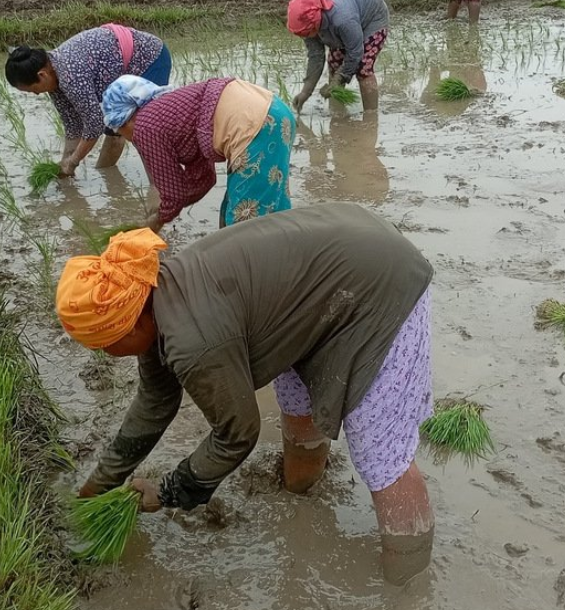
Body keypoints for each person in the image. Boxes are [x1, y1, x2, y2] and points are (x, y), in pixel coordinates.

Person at [59, 203, 436, 585]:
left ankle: (406, 585)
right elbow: (154, 403)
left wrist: (169, 492)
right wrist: (98, 486)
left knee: (380, 453)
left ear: (129, 323)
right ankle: (301, 499)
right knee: (297, 404)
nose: (106, 353)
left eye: (106, 344)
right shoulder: (153, 297)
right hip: (332, 268)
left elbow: (236, 434)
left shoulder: (192, 342)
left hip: (379, 283)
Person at [101, 75, 296, 231]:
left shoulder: (145, 126)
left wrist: (152, 223)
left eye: (119, 131)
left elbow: (173, 196)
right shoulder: (170, 112)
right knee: (261, 206)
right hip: (274, 111)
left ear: (126, 119)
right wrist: (165, 210)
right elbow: (205, 179)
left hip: (254, 126)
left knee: (244, 227)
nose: (126, 139)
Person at [4, 25, 173, 175]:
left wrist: (73, 162)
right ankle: (107, 174)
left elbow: (94, 124)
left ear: (42, 75)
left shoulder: (70, 76)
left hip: (149, 58)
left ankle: (157, 187)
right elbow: (73, 125)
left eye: (33, 90)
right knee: (115, 127)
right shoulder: (53, 75)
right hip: (122, 59)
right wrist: (64, 164)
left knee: (141, 129)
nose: (36, 94)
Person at [287, 0, 390, 114]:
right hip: (344, 25)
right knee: (335, 65)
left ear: (315, 23)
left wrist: (339, 78)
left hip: (372, 18)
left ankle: (371, 115)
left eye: (307, 33)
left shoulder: (342, 20)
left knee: (363, 68)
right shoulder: (308, 27)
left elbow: (355, 52)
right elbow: (316, 57)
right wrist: (305, 92)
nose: (306, 36)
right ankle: (337, 113)